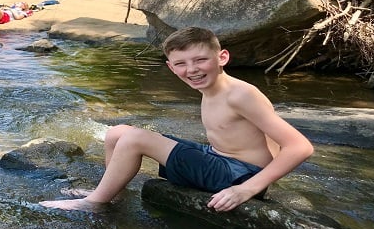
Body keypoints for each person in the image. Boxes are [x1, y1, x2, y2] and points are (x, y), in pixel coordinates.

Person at [39, 27, 314, 212]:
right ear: (171, 67)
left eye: (200, 60)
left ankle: (94, 203)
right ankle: (112, 192)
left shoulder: (240, 95)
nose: (191, 70)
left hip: (238, 175)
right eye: (181, 64)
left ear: (222, 57)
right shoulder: (211, 89)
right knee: (117, 132)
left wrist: (246, 190)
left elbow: (300, 147)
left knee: (136, 139)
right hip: (220, 160)